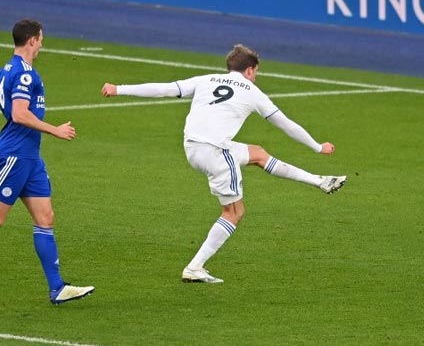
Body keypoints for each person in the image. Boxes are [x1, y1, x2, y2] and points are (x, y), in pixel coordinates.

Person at [101, 43, 347, 284]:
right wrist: (318, 146)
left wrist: (119, 88)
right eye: (256, 72)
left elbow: (163, 89)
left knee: (258, 154)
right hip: (217, 153)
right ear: (250, 70)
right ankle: (194, 267)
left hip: (192, 147)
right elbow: (287, 124)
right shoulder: (252, 92)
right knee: (234, 212)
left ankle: (320, 181)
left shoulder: (206, 80)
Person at [0, 19, 95, 304]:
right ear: (31, 40)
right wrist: (55, 130)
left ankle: (57, 288)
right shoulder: (25, 73)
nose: (42, 44)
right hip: (15, 155)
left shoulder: (9, 69)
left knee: (45, 218)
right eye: (40, 39)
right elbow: (18, 113)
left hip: (30, 157)